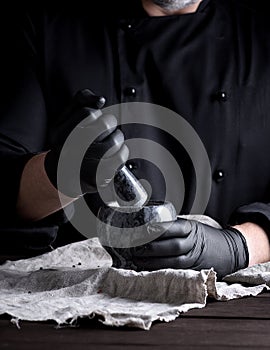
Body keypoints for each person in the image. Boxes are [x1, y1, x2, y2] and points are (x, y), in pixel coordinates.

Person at [0, 0, 269, 279]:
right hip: (82, 300)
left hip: (236, 310)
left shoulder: (261, 35)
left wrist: (237, 247)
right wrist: (59, 173)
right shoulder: (45, 29)